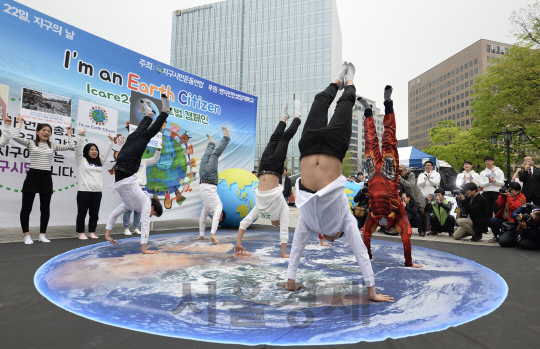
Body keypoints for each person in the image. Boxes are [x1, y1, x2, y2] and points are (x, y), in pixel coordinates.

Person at [281, 61, 394, 303]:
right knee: (346, 102)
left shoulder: (307, 221)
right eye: (335, 238)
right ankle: (348, 80)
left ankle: (336, 80)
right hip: (334, 147)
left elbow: (297, 247)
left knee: (320, 101)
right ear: (340, 233)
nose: (331, 238)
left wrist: (291, 280)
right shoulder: (346, 218)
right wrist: (371, 290)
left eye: (330, 239)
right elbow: (360, 251)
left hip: (308, 146)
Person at [361, 86, 422, 268]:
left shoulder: (373, 219)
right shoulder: (399, 217)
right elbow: (406, 238)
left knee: (370, 141)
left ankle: (367, 111)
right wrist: (409, 262)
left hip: (372, 174)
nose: (386, 227)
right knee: (389, 139)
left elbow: (366, 236)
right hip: (389, 175)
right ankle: (388, 103)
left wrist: (368, 256)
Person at [235, 101, 301, 257]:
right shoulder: (282, 208)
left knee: (273, 139)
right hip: (275, 168)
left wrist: (238, 243)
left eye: (275, 225)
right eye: (276, 224)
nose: (275, 225)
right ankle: (298, 116)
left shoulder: (260, 211)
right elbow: (284, 230)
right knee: (284, 139)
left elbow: (243, 223)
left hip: (262, 167)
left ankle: (284, 117)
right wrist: (284, 253)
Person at [105, 95, 168, 253]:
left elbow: (113, 214)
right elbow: (145, 224)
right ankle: (165, 112)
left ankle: (149, 116)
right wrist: (144, 249)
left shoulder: (129, 204)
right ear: (153, 208)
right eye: (154, 213)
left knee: (133, 135)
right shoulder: (146, 202)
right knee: (145, 137)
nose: (150, 215)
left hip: (120, 165)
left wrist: (107, 234)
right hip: (130, 166)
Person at [14, 115, 75, 244]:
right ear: (37, 132)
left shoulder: (52, 145)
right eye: (44, 130)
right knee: (26, 208)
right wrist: (19, 122)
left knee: (45, 208)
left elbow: (71, 145)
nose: (46, 133)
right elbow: (14, 137)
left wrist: (69, 132)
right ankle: (26, 236)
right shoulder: (31, 142)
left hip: (46, 177)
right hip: (32, 176)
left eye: (49, 131)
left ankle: (42, 235)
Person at [75, 128, 114, 240]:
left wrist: (111, 141)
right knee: (82, 214)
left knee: (94, 214)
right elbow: (78, 149)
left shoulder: (99, 161)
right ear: (87, 151)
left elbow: (106, 152)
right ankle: (81, 233)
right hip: (84, 191)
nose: (94, 151)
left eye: (96, 150)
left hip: (97, 192)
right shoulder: (81, 160)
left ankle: (92, 232)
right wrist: (80, 136)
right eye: (92, 150)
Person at [198, 127, 230, 245]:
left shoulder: (207, 208)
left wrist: (202, 235)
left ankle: (211, 143)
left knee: (204, 158)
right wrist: (212, 234)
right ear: (221, 214)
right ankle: (226, 138)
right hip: (211, 178)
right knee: (214, 155)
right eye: (220, 218)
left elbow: (202, 219)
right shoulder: (218, 207)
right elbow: (215, 219)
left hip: (202, 178)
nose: (216, 219)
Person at [123, 143, 162, 235]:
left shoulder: (144, 161)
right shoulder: (129, 161)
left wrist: (158, 150)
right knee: (128, 208)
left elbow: (154, 159)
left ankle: (136, 227)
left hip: (142, 188)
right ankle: (126, 228)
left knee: (140, 209)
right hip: (131, 187)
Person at [398, 164, 428, 235]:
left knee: (422, 212)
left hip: (417, 197)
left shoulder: (411, 174)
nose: (400, 173)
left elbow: (411, 184)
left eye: (401, 171)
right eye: (399, 171)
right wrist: (403, 194)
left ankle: (423, 229)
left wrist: (401, 179)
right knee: (413, 213)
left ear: (405, 170)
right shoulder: (399, 177)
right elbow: (400, 188)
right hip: (409, 198)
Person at [478, 156, 505, 222]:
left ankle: (498, 225)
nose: (488, 162)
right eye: (486, 161)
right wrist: (488, 182)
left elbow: (502, 183)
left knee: (497, 209)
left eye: (489, 161)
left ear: (493, 161)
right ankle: (487, 226)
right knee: (487, 210)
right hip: (486, 193)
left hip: (496, 192)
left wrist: (494, 181)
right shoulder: (482, 173)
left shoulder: (499, 171)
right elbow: (481, 184)